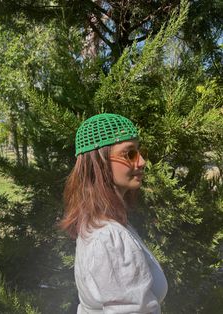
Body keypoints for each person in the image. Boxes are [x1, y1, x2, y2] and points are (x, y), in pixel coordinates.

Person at [60, 113, 168, 314]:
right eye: (129, 153)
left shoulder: (103, 225)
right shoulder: (108, 237)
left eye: (139, 151)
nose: (142, 161)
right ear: (99, 163)